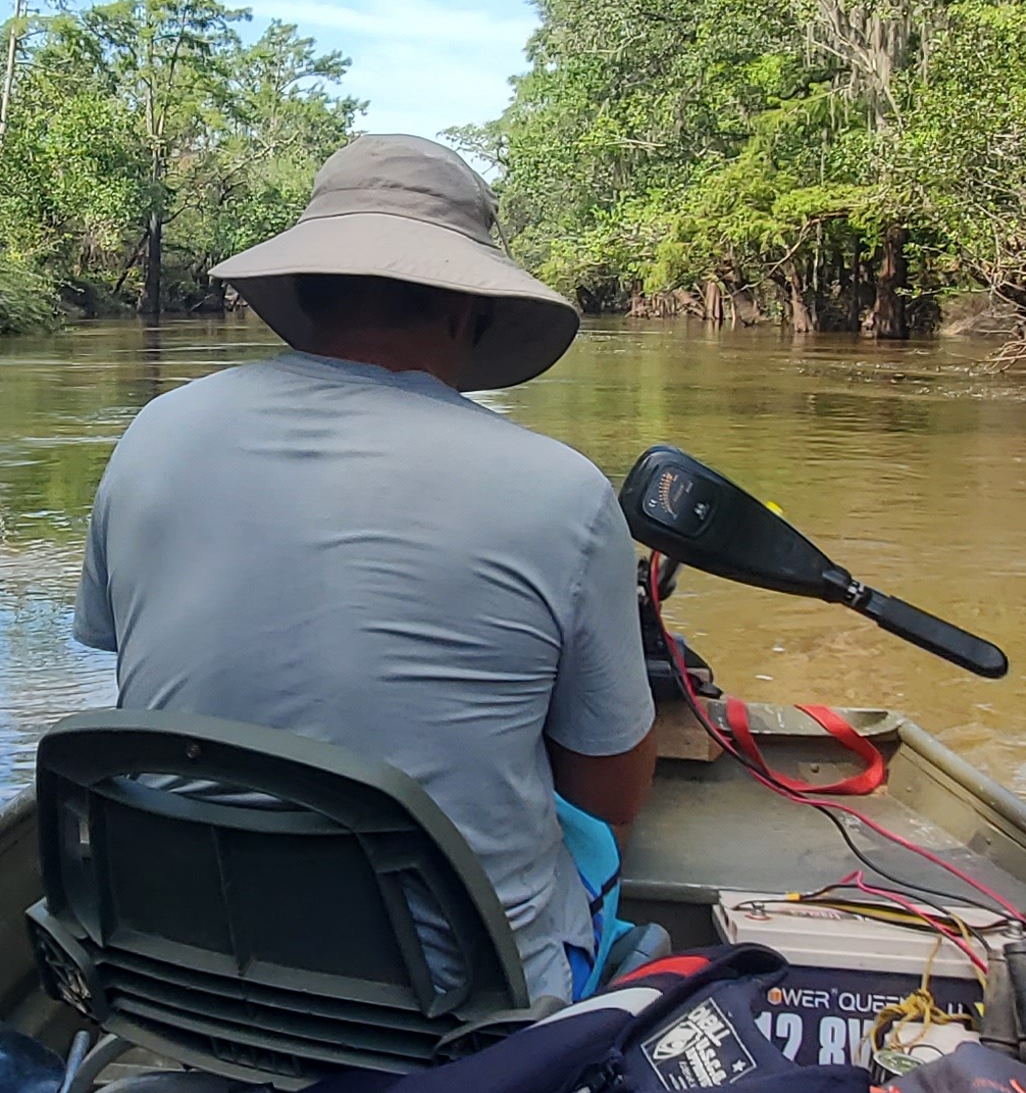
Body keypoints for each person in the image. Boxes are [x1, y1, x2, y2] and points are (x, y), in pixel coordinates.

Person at [74, 133, 656, 1006]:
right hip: (457, 1011)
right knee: (600, 857)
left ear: (302, 293)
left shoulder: (154, 433)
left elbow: (122, 647)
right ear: (471, 309)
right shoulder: (562, 495)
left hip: (180, 968)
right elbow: (611, 791)